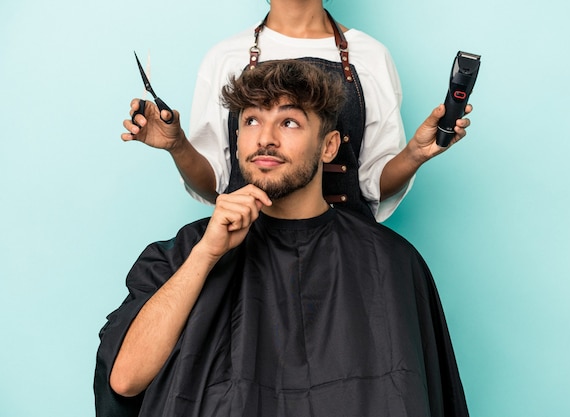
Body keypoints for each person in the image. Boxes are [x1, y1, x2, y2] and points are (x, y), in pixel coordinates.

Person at [97, 59, 469, 417]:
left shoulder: (390, 262)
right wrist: (205, 255)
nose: (266, 139)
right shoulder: (184, 253)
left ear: (329, 145)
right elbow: (126, 381)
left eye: (289, 122)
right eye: (252, 120)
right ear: (238, 140)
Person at [122, 0, 472, 221]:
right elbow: (215, 184)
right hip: (245, 255)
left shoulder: (372, 56)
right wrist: (178, 145)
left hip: (347, 257)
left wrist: (414, 154)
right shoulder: (225, 57)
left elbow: (372, 184)